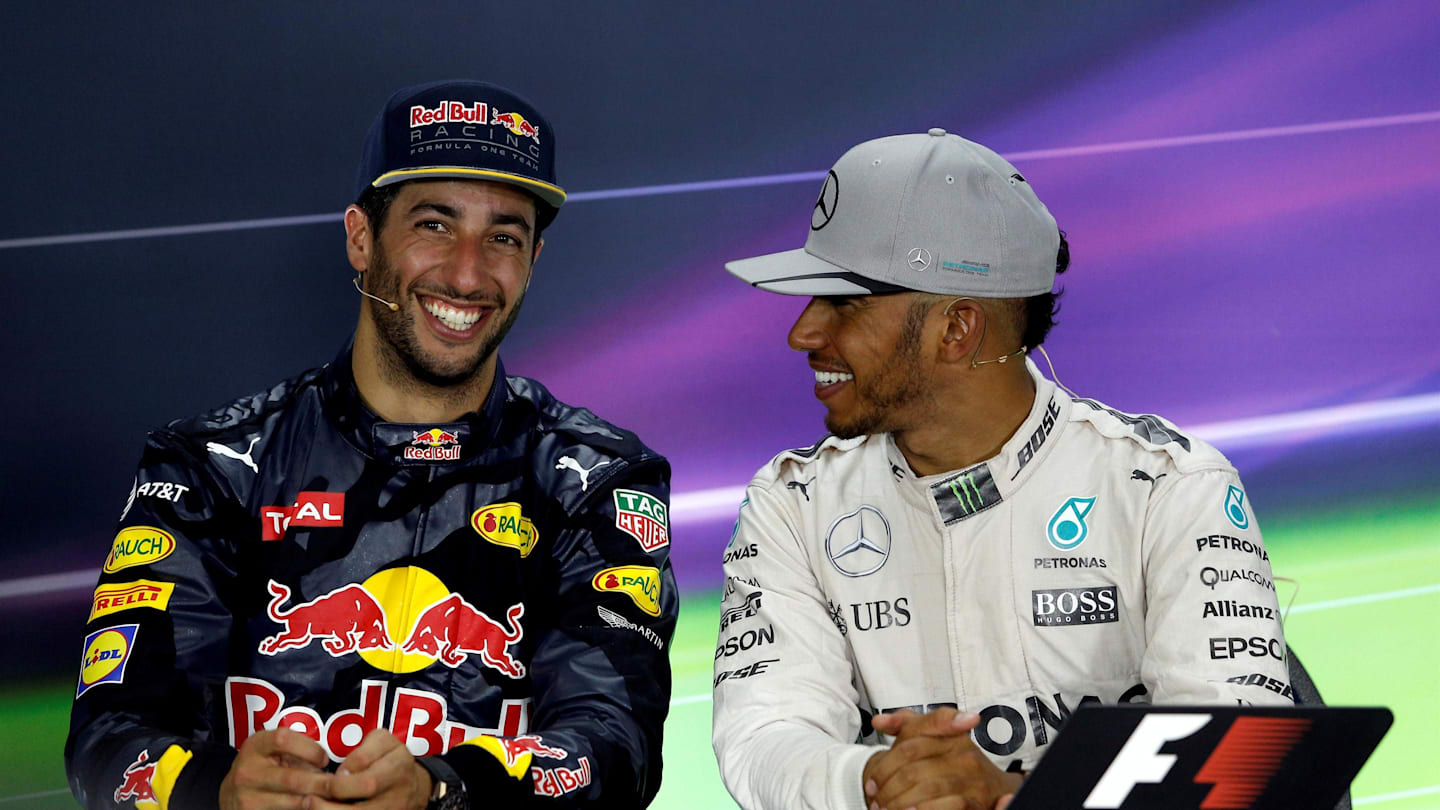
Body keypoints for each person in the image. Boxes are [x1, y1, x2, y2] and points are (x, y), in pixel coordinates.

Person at [66, 80, 677, 810]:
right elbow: (110, 734)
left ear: (534, 259)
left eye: (505, 237)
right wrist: (212, 792)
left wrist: (443, 791)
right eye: (434, 224)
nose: (468, 273)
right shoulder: (209, 468)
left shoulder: (596, 480)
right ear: (361, 238)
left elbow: (616, 747)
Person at [711, 129, 1291, 810]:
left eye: (844, 302)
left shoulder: (1170, 488)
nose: (803, 332)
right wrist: (877, 784)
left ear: (957, 329)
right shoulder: (792, 503)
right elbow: (763, 734)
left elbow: (1243, 765)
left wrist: (1013, 797)